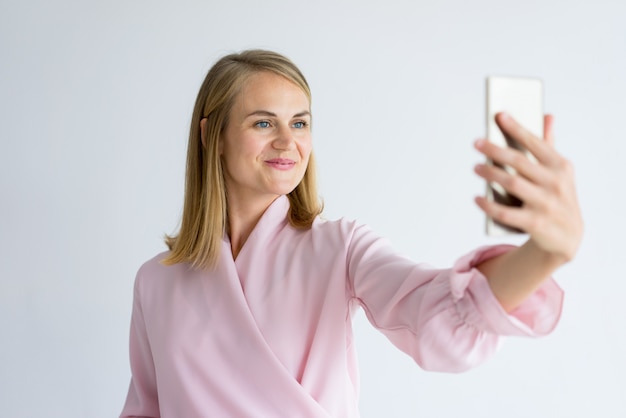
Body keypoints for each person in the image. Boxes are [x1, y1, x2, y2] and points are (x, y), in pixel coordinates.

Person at [119, 49, 583, 417]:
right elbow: (147, 410)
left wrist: (546, 254)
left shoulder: (340, 247)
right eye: (263, 122)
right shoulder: (156, 281)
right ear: (212, 136)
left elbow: (437, 315)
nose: (287, 141)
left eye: (300, 122)